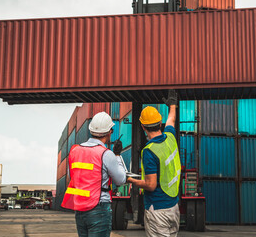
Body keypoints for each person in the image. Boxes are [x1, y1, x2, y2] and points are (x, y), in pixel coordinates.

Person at [61, 112, 126, 237]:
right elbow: (120, 180)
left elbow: (72, 176)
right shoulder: (106, 154)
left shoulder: (75, 151)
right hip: (99, 208)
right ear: (109, 132)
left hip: (80, 208)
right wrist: (117, 155)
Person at [127, 90, 181, 237]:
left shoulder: (149, 151)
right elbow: (172, 120)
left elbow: (150, 185)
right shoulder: (170, 137)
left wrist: (131, 180)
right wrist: (172, 106)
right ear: (160, 122)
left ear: (143, 127)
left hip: (157, 210)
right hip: (173, 207)